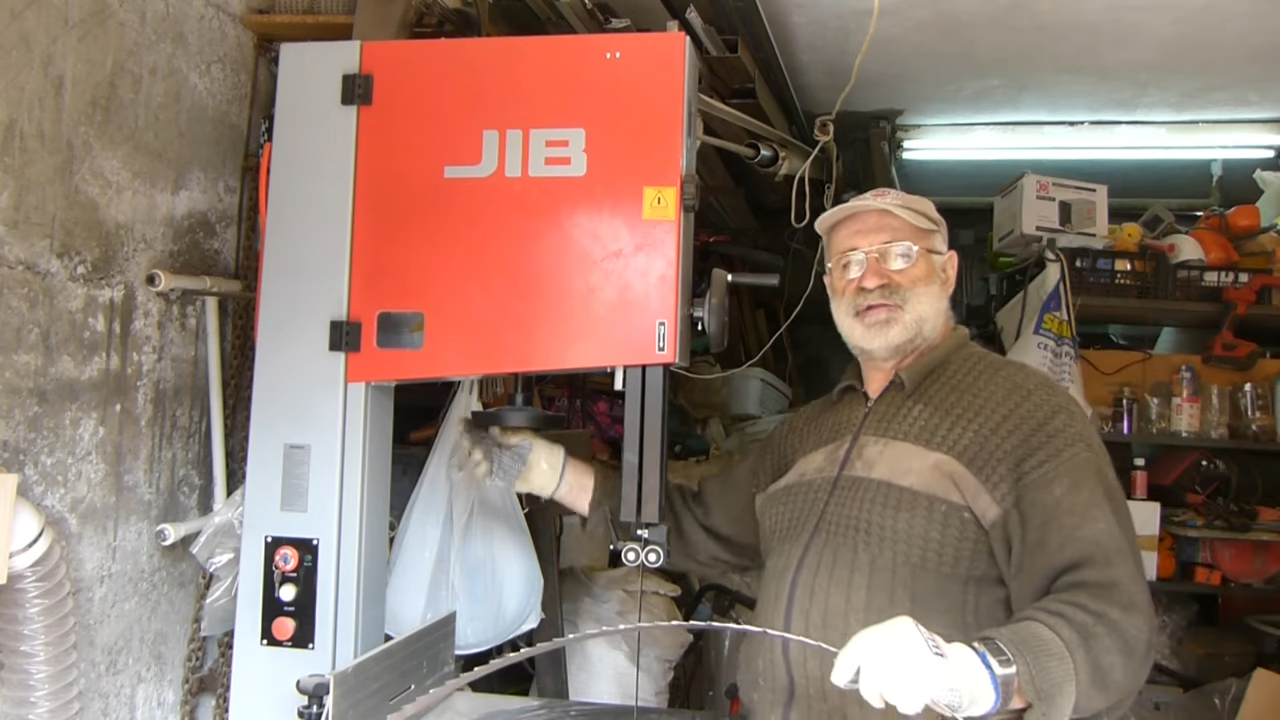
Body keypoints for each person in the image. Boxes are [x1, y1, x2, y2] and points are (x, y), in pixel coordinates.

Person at [461, 188, 1156, 719]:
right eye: (848, 263)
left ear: (947, 273)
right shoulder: (807, 433)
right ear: (829, 290)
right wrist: (551, 472)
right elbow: (694, 525)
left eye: (898, 255)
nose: (871, 278)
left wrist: (976, 672)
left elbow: (1110, 621)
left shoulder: (1026, 416)